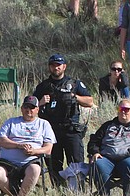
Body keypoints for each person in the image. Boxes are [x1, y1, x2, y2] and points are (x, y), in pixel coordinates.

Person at [34, 54, 94, 186]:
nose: (56, 67)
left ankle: (76, 191)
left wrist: (74, 97)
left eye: (58, 65)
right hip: (51, 131)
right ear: (49, 67)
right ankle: (59, 191)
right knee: (54, 165)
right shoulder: (43, 86)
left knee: (76, 163)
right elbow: (29, 109)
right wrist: (40, 102)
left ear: (64, 67)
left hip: (71, 130)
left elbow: (89, 101)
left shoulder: (74, 84)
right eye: (53, 65)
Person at [0, 96, 55, 196]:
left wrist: (34, 151)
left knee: (35, 170)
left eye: (32, 108)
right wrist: (18, 145)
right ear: (21, 108)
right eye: (26, 107)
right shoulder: (11, 122)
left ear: (37, 110)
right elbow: (0, 140)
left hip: (30, 161)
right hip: (8, 163)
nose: (29, 110)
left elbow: (48, 149)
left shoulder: (44, 124)